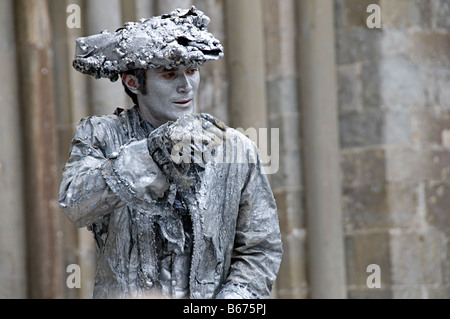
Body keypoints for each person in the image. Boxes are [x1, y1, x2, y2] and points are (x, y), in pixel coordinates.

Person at [59, 6, 282, 299]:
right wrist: (151, 154)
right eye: (169, 74)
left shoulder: (236, 148)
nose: (186, 86)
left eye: (191, 71)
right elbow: (76, 203)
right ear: (133, 82)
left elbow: (260, 248)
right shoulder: (102, 136)